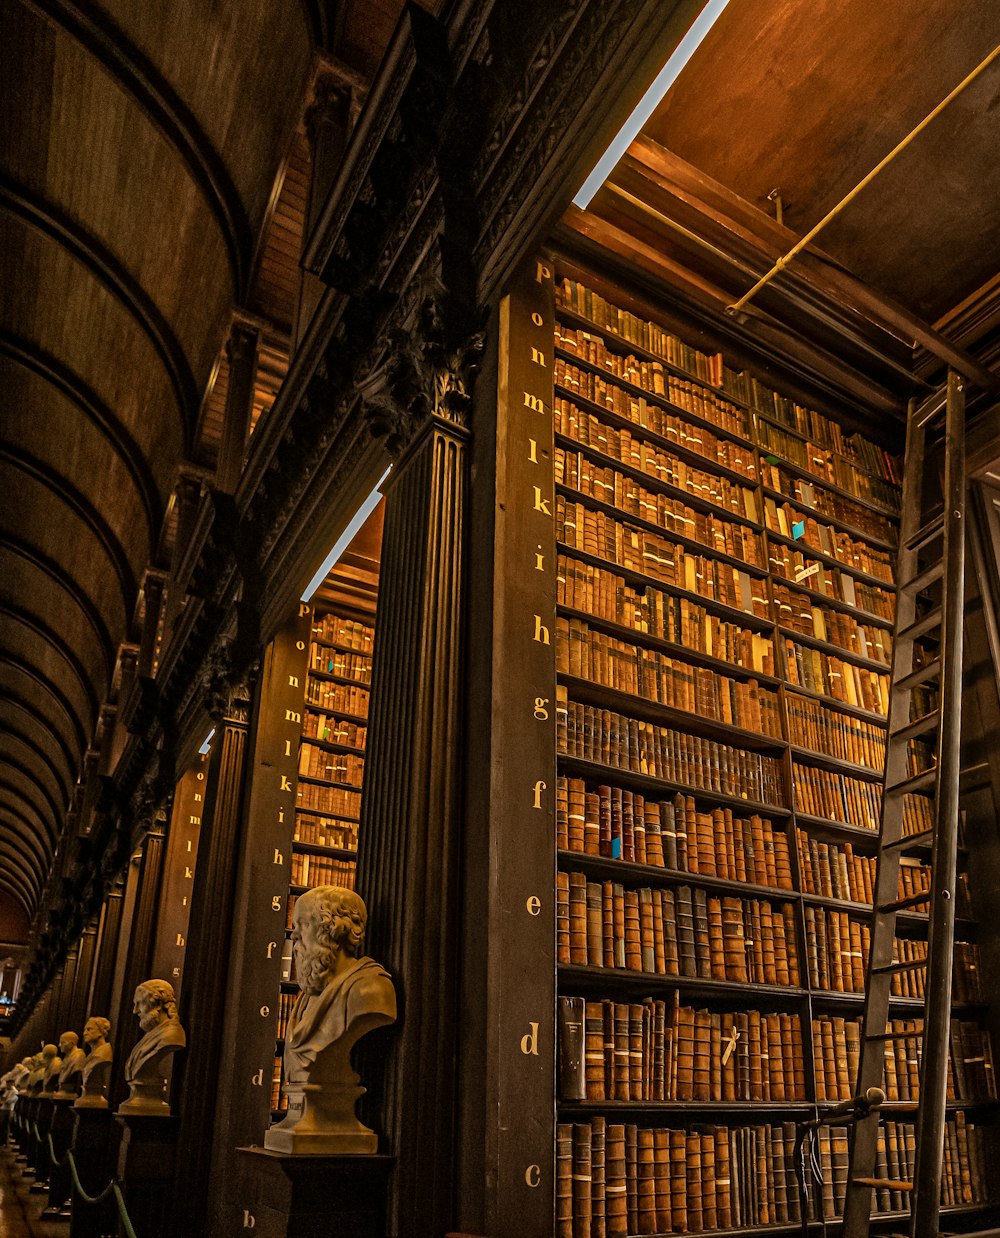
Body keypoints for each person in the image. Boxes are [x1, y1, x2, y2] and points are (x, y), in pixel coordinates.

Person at [282, 885, 396, 1085]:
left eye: (303, 924)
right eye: (294, 926)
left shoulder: (370, 990)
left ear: (333, 929)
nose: (294, 935)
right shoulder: (307, 997)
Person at [123, 980, 185, 1084]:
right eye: (135, 1004)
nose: (135, 1010)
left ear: (158, 1003)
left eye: (140, 1003)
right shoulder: (153, 1034)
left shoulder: (171, 1035)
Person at [55, 1031, 86, 1096]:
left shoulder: (78, 1056)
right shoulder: (66, 1057)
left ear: (71, 1043)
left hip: (69, 1091)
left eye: (63, 1042)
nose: (59, 1045)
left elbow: (75, 1070)